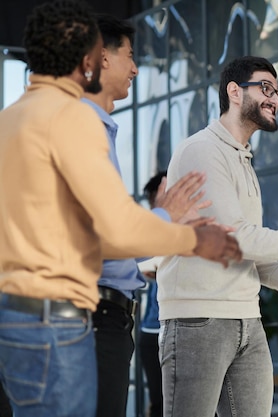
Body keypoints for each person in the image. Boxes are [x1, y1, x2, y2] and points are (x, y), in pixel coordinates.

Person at [0, 2, 242, 416]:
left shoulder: (12, 119)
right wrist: (193, 237)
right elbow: (114, 230)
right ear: (92, 58)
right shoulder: (70, 117)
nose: (133, 67)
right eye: (126, 55)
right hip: (60, 318)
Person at [157, 55, 278, 417]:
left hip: (247, 319)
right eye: (265, 88)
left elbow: (245, 252)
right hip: (198, 321)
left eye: (277, 92)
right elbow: (240, 239)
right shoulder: (203, 151)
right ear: (234, 91)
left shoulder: (242, 159)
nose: (275, 99)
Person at [81, 14, 212, 417]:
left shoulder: (97, 127)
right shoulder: (83, 126)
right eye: (130, 56)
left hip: (104, 317)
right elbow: (100, 235)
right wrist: (165, 218)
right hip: (92, 318)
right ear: (103, 56)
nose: (136, 68)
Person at [137, 172, 168, 417]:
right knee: (159, 404)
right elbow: (143, 265)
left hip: (181, 329)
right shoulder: (153, 228)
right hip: (152, 332)